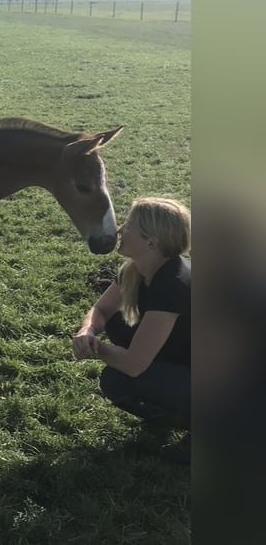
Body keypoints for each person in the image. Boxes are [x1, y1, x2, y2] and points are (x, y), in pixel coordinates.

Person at [73, 197, 191, 461]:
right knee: (117, 376)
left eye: (129, 225)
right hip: (185, 366)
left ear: (151, 242)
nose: (120, 230)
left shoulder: (173, 286)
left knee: (120, 379)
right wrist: (87, 332)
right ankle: (173, 413)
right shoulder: (136, 269)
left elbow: (134, 365)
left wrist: (95, 348)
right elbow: (101, 310)